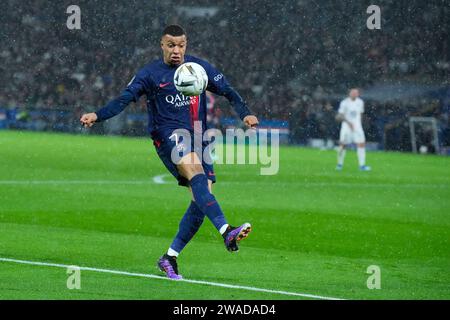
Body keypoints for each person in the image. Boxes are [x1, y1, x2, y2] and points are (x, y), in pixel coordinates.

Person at [80, 25, 259, 280]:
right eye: (171, 45)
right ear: (161, 45)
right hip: (168, 138)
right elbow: (124, 98)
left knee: (201, 199)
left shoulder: (199, 69)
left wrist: (246, 113)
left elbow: (229, 91)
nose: (177, 50)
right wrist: (97, 115)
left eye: (181, 45)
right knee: (196, 175)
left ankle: (170, 257)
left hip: (199, 138)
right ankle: (226, 230)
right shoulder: (150, 74)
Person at [335, 88, 371, 171]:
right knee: (343, 145)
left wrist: (359, 124)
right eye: (353, 93)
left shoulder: (360, 102)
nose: (354, 94)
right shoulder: (344, 102)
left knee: (361, 144)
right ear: (349, 93)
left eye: (356, 93)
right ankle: (339, 164)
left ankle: (362, 165)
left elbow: (360, 114)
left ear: (358, 94)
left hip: (357, 127)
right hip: (346, 127)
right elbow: (340, 115)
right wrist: (348, 122)